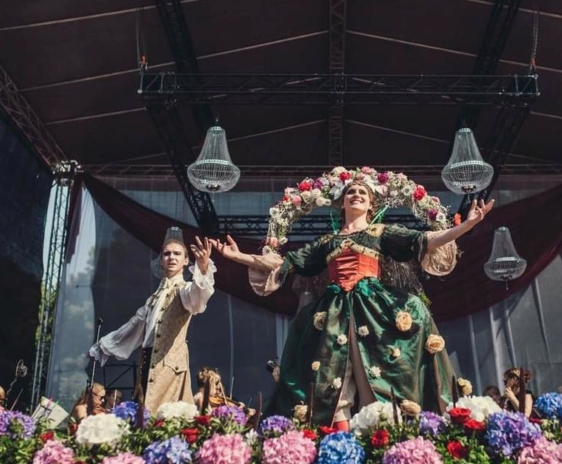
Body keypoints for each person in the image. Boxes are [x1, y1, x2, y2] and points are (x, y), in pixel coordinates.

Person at [213, 170, 494, 429]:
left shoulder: (381, 233)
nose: (356, 194)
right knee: (330, 378)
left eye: (363, 192)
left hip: (373, 307)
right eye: (350, 192)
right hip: (334, 310)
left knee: (380, 372)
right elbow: (284, 263)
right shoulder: (327, 242)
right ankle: (339, 440)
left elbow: (425, 240)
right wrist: (236, 256)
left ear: (371, 205)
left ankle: (382, 436)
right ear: (342, 203)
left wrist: (467, 226)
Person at [88, 230, 216, 413]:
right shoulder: (154, 298)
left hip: (170, 367)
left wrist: (203, 270)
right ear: (161, 261)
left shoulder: (185, 290)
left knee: (166, 417)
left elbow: (198, 298)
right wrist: (101, 347)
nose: (171, 257)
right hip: (147, 364)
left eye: (177, 253)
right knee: (145, 417)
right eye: (167, 254)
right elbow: (134, 326)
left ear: (186, 261)